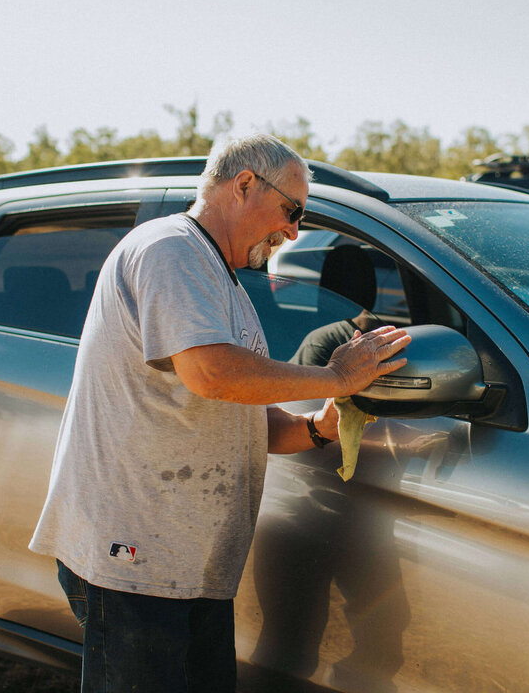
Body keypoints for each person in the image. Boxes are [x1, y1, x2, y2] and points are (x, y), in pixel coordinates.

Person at [28, 133, 411, 693]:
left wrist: (316, 427)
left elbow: (240, 415)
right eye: (292, 210)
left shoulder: (217, 274)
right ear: (245, 184)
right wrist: (335, 376)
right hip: (137, 559)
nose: (294, 231)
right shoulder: (170, 249)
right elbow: (210, 374)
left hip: (188, 568)